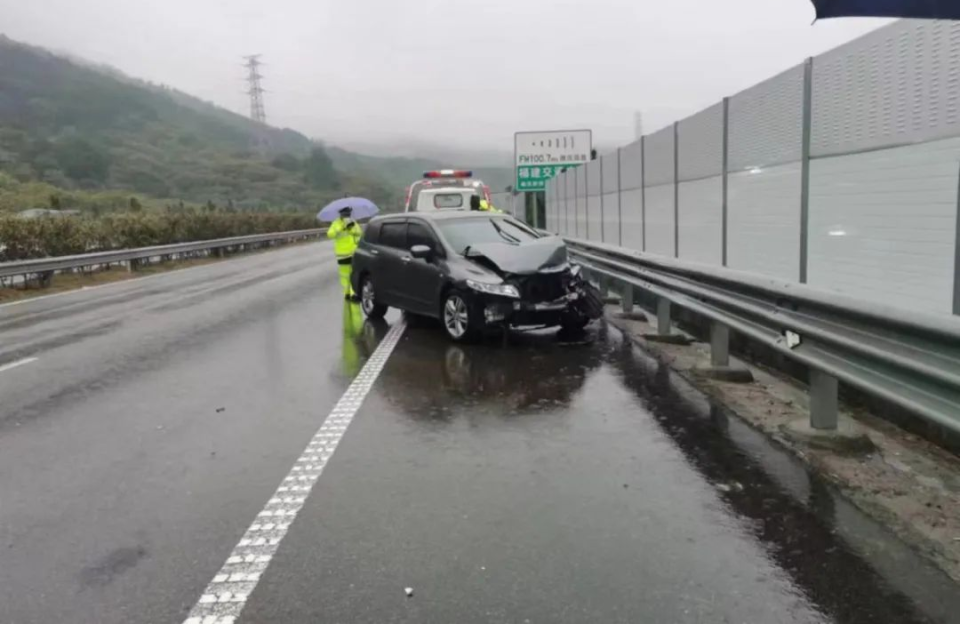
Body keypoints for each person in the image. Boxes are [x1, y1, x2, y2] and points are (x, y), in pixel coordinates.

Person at [327, 206, 362, 300]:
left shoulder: (353, 222)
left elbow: (359, 233)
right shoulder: (336, 223)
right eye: (345, 214)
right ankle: (348, 293)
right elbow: (330, 234)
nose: (347, 216)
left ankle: (353, 292)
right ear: (341, 214)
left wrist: (351, 228)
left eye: (348, 214)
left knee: (354, 273)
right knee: (345, 275)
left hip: (354, 252)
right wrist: (341, 227)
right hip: (342, 254)